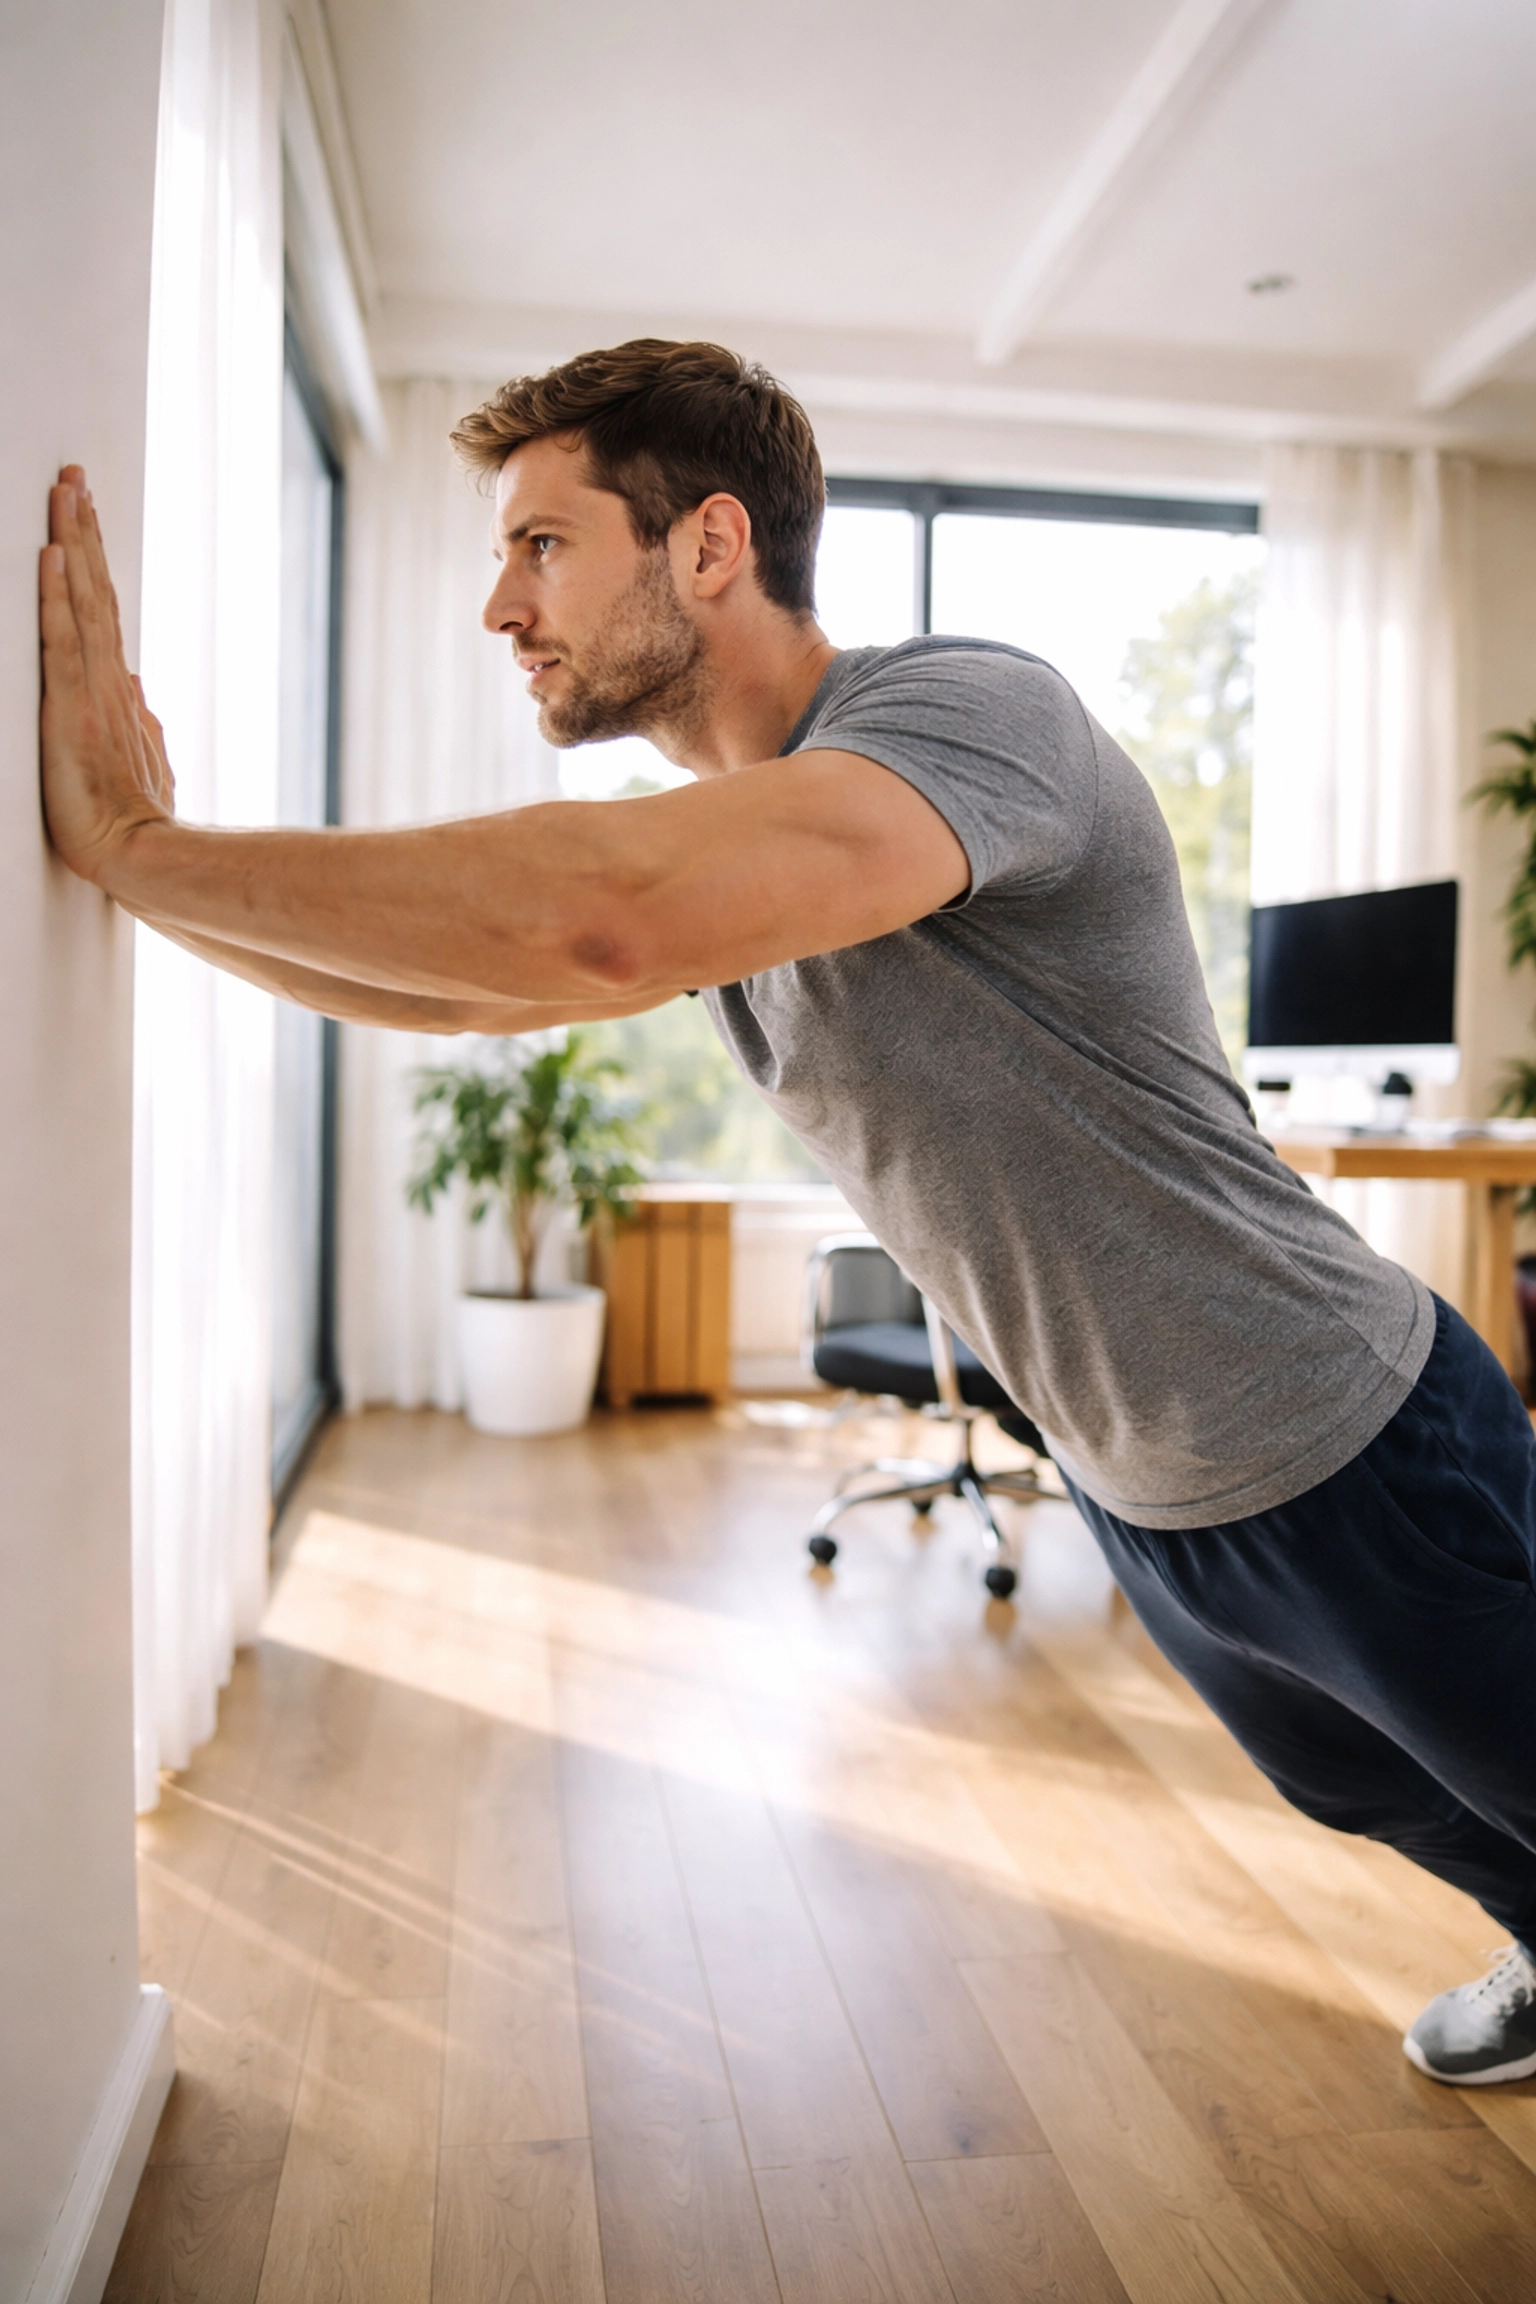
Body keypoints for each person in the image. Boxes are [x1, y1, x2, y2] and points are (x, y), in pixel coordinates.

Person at [39, 339, 1536, 2088]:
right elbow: (461, 995)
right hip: (1143, 1479)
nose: (498, 609)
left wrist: (146, 843)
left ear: (708, 546)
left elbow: (596, 923)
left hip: (1340, 1429)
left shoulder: (969, 716)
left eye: (541, 547)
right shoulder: (733, 857)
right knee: (1370, 1784)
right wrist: (127, 874)